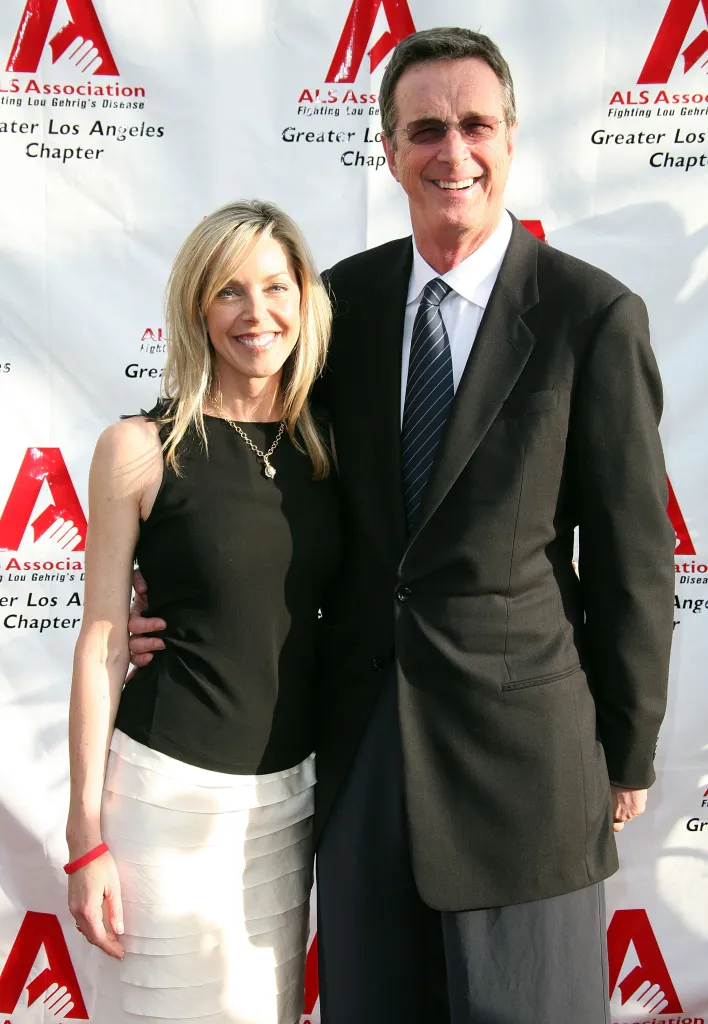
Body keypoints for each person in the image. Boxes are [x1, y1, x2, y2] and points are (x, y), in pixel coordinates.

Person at [129, 28, 676, 1024]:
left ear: (511, 139)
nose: (451, 151)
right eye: (426, 129)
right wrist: (153, 585)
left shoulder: (591, 316)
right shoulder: (341, 304)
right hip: (360, 749)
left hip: (527, 768)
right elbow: (262, 478)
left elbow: (636, 557)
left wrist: (629, 748)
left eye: (475, 125)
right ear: (387, 150)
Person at [65, 200, 340, 1024]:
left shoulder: (329, 446)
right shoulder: (138, 449)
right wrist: (85, 837)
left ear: (304, 298)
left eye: (274, 287)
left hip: (290, 800)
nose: (256, 315)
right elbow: (102, 643)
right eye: (228, 292)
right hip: (164, 801)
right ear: (196, 308)